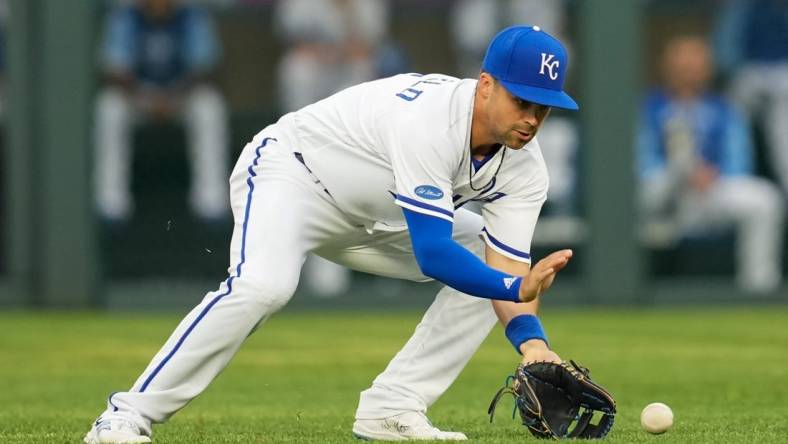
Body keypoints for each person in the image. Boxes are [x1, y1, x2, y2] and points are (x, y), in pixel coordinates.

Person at [84, 25, 576, 443]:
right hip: (293, 177)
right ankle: (126, 414)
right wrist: (513, 287)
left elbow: (511, 270)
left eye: (544, 107)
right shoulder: (432, 119)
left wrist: (532, 341)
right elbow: (433, 254)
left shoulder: (526, 169)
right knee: (264, 286)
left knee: (482, 258)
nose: (532, 118)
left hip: (378, 215)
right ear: (486, 85)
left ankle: (393, 406)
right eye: (522, 100)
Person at [637, 35, 784, 293]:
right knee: (656, 178)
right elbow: (642, 160)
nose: (689, 69)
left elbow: (739, 160)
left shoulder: (724, 108)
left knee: (765, 199)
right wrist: (679, 172)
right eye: (682, 62)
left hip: (711, 192)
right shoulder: (649, 107)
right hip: (664, 192)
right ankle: (628, 286)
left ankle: (759, 287)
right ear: (667, 66)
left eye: (696, 62)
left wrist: (713, 175)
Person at [94, 0, 230, 223]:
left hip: (180, 96)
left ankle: (211, 202)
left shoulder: (190, 15)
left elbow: (205, 69)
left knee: (209, 106)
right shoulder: (127, 16)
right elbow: (114, 71)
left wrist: (172, 98)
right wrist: (146, 98)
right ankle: (111, 203)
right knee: (109, 107)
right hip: (138, 97)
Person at [713, 0, 788, 197]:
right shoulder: (744, 6)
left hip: (784, 79)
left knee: (782, 117)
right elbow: (725, 54)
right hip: (750, 75)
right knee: (732, 109)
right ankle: (734, 174)